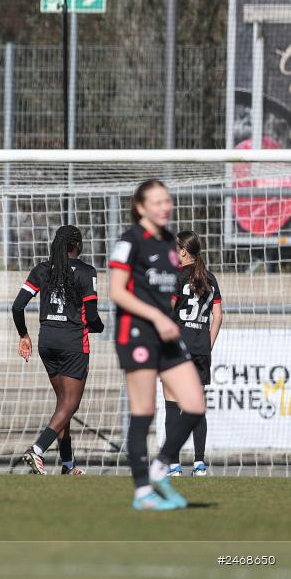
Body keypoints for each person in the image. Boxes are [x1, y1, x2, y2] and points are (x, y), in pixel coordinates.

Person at [108, 180, 206, 511]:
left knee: (195, 403)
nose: (166, 206)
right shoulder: (129, 241)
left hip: (167, 336)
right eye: (158, 201)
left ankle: (161, 467)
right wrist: (156, 316)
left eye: (168, 200)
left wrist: (169, 318)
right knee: (144, 412)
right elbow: (117, 292)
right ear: (141, 207)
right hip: (137, 334)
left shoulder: (169, 242)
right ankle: (143, 493)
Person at [12, 225, 104, 476]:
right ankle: (37, 450)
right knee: (70, 404)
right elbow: (92, 317)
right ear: (77, 245)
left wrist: (23, 335)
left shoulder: (42, 269)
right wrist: (98, 327)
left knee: (63, 405)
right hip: (72, 343)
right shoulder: (86, 272)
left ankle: (68, 465)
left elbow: (17, 306)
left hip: (47, 342)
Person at [165, 231, 224, 477]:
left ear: (182, 251)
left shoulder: (176, 277)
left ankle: (173, 465)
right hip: (200, 349)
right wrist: (206, 344)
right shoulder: (210, 278)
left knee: (172, 406)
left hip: (177, 348)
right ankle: (199, 464)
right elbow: (218, 316)